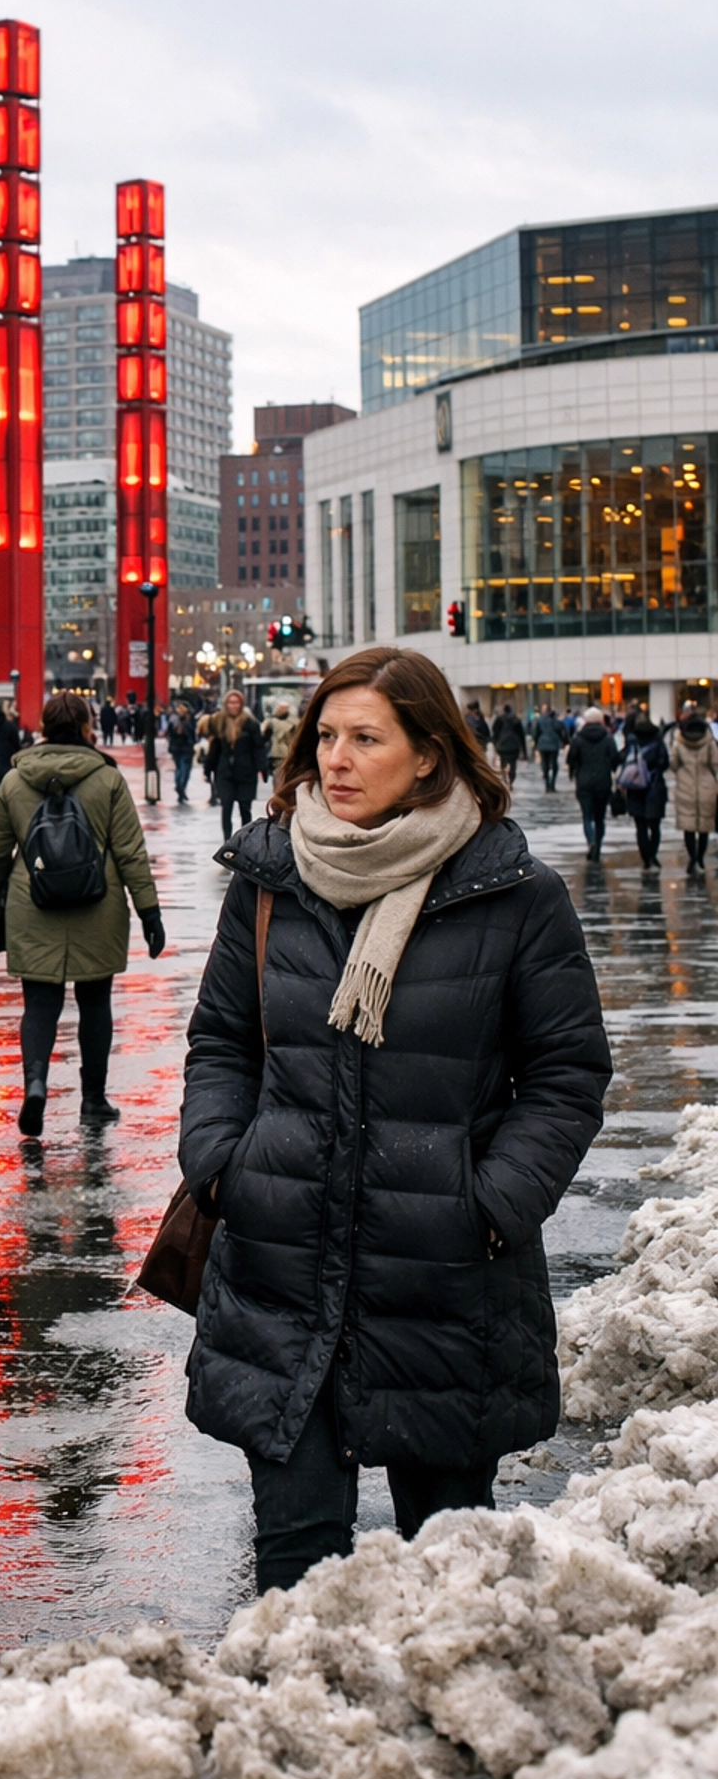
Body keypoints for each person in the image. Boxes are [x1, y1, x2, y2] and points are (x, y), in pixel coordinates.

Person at [178, 645, 610, 1596]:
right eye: (325, 736)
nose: (334, 757)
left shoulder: (513, 894)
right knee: (294, 1576)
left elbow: (567, 1073)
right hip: (283, 1268)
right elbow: (221, 1042)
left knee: (450, 1572)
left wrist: (490, 1202)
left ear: (428, 754)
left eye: (365, 738)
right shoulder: (271, 881)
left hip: (446, 1280)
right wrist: (222, 1164)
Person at [0, 689, 164, 1138]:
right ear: (88, 727)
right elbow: (130, 853)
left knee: (39, 1005)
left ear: (42, 727)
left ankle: (37, 1083)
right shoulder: (107, 780)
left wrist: (6, 885)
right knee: (94, 1002)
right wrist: (149, 912)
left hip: (33, 904)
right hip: (97, 904)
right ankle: (93, 1100)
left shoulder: (14, 780)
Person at [202, 690, 268, 842]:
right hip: (225, 772)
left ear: (241, 704)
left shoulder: (250, 724)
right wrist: (207, 769)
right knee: (226, 805)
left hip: (246, 772)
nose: (233, 706)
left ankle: (245, 841)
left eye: (236, 702)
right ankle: (227, 840)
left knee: (245, 807)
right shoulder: (219, 722)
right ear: (226, 704)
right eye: (230, 702)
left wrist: (262, 767)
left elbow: (258, 747)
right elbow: (215, 749)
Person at [618, 710, 670, 870]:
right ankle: (653, 855)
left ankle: (645, 858)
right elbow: (665, 762)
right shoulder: (658, 739)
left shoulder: (632, 740)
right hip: (655, 786)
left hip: (635, 787)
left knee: (640, 826)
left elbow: (623, 759)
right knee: (655, 826)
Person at [567, 706, 618, 860]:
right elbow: (615, 758)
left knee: (587, 816)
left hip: (584, 782)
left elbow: (571, 758)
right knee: (600, 817)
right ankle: (598, 843)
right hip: (603, 782)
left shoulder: (578, 738)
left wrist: (574, 771)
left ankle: (591, 841)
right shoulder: (608, 737)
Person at [671, 705, 718, 873]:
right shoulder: (709, 742)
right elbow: (715, 763)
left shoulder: (679, 742)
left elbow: (674, 764)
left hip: (685, 786)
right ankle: (700, 859)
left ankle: (692, 858)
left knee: (688, 826)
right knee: (704, 826)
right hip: (707, 787)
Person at [164, 700, 198, 803]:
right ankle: (180, 787)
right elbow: (192, 733)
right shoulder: (186, 720)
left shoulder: (174, 719)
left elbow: (169, 734)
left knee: (180, 769)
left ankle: (180, 788)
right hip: (183, 747)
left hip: (179, 748)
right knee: (184, 769)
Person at [490, 702, 526, 788]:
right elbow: (521, 735)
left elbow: (495, 732)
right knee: (513, 765)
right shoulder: (516, 720)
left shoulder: (499, 719)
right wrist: (524, 751)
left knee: (503, 763)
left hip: (502, 746)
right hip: (514, 746)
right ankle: (511, 781)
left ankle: (505, 780)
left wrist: (495, 744)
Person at [531, 704, 566, 792]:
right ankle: (552, 784)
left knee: (545, 764)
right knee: (554, 764)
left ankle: (547, 784)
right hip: (554, 744)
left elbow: (535, 732)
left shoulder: (539, 721)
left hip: (543, 744)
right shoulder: (555, 721)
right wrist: (563, 742)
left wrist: (536, 743)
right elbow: (561, 731)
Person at [262, 700, 300, 773]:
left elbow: (262, 733)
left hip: (281, 754)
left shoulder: (271, 721)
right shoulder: (271, 721)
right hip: (281, 754)